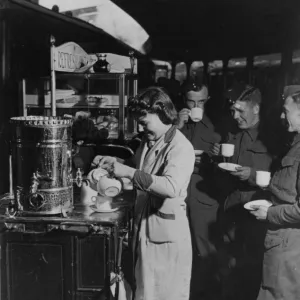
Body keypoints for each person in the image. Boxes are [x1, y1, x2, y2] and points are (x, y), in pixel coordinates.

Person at [92, 87, 195, 300]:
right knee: (145, 294)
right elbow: (141, 168)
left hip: (165, 239)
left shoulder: (180, 147)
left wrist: (128, 172)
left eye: (144, 121)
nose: (140, 126)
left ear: (161, 113)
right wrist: (115, 163)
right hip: (146, 231)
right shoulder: (149, 141)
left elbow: (170, 186)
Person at [212, 82, 274, 300]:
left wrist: (251, 175)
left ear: (255, 108)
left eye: (240, 110)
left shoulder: (271, 137)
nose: (235, 116)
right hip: (231, 209)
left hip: (255, 212)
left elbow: (277, 180)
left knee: (251, 271)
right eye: (232, 111)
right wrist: (217, 158)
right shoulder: (232, 135)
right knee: (227, 270)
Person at [250, 85, 300, 300]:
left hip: (289, 245)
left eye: (286, 111)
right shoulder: (295, 144)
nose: (282, 115)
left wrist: (269, 214)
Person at [177, 83, 222, 299]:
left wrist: (216, 156)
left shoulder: (217, 126)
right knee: (179, 248)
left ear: (208, 100)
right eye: (191, 101)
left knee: (204, 249)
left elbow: (224, 166)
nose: (196, 106)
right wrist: (177, 125)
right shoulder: (175, 122)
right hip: (177, 193)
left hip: (202, 194)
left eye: (201, 102)